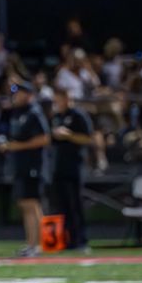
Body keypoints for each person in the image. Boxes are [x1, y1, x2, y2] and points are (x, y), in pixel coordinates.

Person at [0, 82, 50, 257]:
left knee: (32, 204)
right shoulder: (16, 113)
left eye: (19, 93)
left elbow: (44, 139)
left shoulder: (34, 113)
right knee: (25, 204)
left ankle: (39, 244)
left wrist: (16, 146)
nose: (15, 96)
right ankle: (31, 243)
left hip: (33, 165)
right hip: (20, 165)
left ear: (28, 94)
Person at [50, 88, 93, 251]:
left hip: (74, 167)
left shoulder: (78, 115)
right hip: (58, 167)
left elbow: (87, 138)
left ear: (67, 99)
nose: (57, 103)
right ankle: (65, 240)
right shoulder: (56, 117)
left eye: (59, 100)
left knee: (75, 205)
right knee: (62, 207)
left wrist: (68, 135)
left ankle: (81, 240)